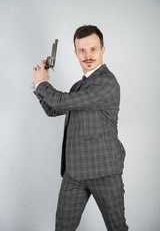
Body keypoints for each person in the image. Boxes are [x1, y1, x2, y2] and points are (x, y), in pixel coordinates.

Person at [32, 25, 129, 231]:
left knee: (117, 228)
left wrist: (43, 85)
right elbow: (53, 109)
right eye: (82, 50)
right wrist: (37, 85)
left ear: (103, 49)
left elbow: (61, 102)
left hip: (104, 171)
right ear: (75, 53)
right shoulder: (78, 86)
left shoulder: (107, 83)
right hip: (75, 173)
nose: (88, 55)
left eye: (93, 49)